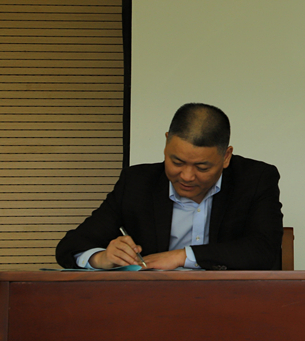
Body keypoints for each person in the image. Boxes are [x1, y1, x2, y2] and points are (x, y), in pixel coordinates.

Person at [56, 103, 283, 270]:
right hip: (153, 303)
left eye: (202, 167)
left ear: (226, 156)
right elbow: (71, 246)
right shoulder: (137, 182)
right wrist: (101, 258)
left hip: (229, 302)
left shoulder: (255, 179)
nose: (187, 176)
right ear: (166, 143)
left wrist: (181, 256)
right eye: (177, 162)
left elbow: (264, 250)